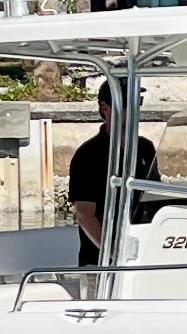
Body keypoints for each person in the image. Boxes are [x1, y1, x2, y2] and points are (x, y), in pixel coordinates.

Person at [68, 78, 159, 266]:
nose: (134, 109)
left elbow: (155, 199)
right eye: (127, 103)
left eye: (138, 102)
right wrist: (115, 254)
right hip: (99, 263)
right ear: (105, 109)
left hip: (144, 257)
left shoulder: (146, 149)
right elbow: (84, 214)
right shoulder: (87, 155)